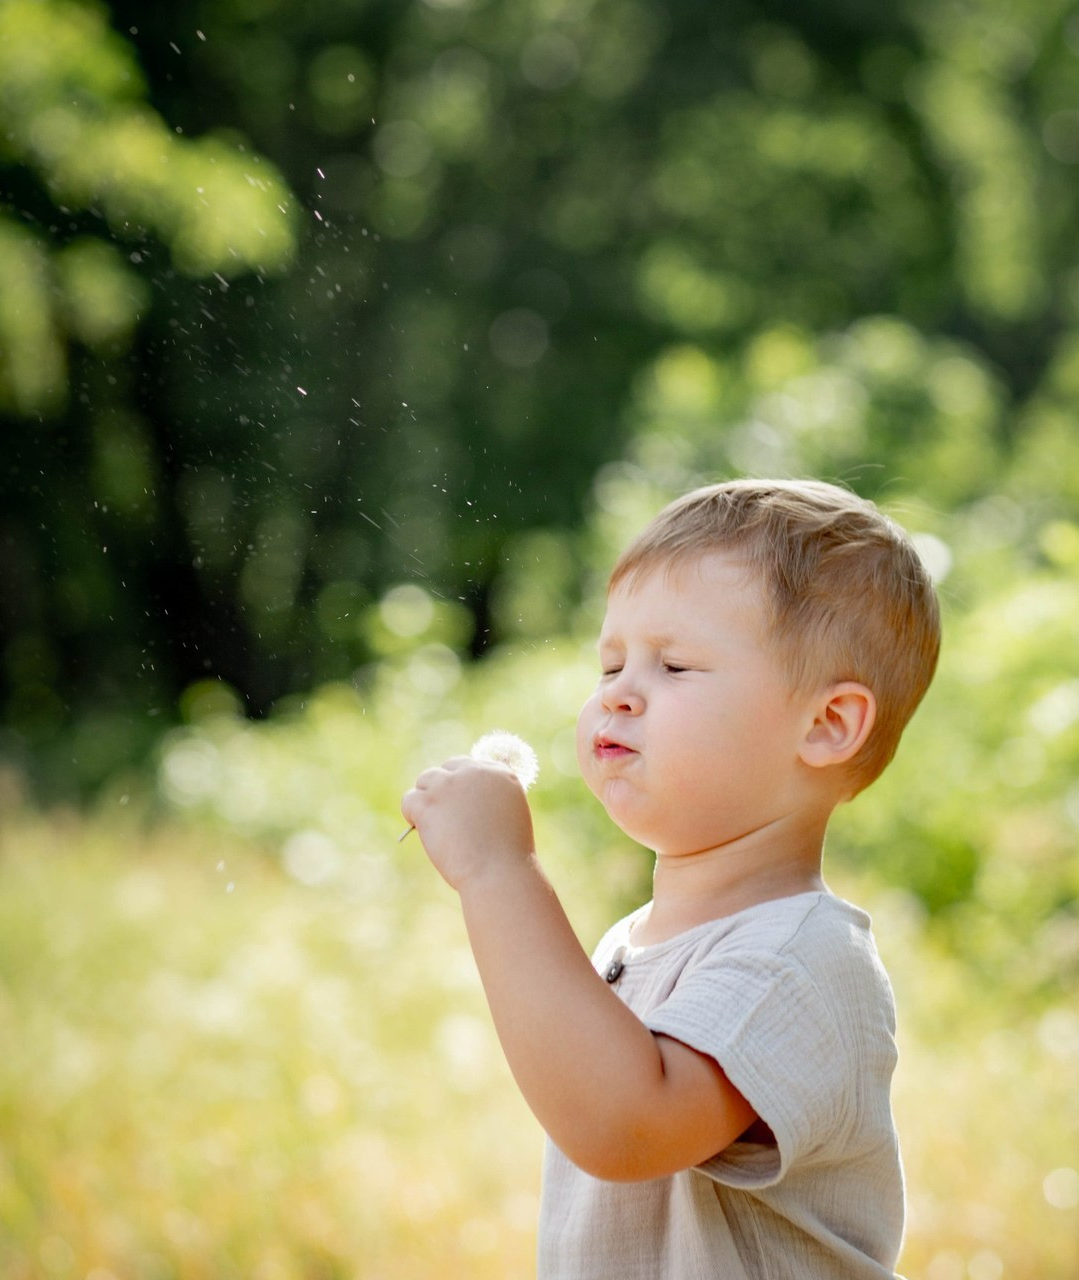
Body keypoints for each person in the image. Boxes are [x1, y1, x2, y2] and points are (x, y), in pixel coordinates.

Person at [401, 478, 941, 1279]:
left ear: (827, 725)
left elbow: (627, 1124)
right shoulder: (637, 940)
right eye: (611, 662)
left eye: (676, 666)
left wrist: (498, 873)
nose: (618, 693)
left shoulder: (802, 962)